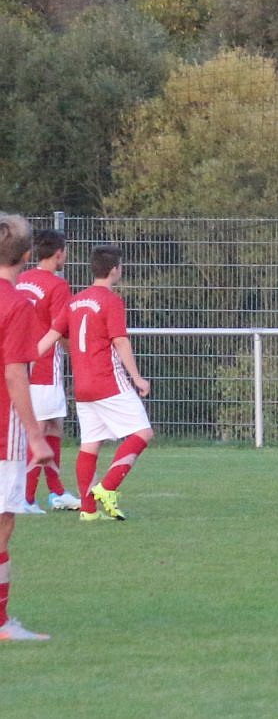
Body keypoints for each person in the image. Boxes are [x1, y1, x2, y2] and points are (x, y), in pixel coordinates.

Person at [41, 246, 151, 522]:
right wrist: (137, 377)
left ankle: (88, 510)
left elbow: (51, 336)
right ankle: (108, 486)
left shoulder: (75, 301)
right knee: (143, 433)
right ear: (114, 270)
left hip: (83, 386)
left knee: (90, 445)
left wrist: (22, 360)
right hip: (108, 381)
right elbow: (120, 340)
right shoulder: (111, 301)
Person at [0, 213, 55, 641]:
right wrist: (36, 434)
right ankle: (1, 624)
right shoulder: (16, 304)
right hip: (4, 431)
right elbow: (15, 372)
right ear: (27, 254)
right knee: (2, 525)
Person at [17, 230, 79, 513]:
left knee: (53, 426)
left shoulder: (22, 279)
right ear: (58, 253)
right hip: (44, 365)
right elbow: (60, 329)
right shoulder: (57, 285)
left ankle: (57, 492)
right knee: (40, 430)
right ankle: (26, 497)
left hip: (20, 363)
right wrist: (78, 354)